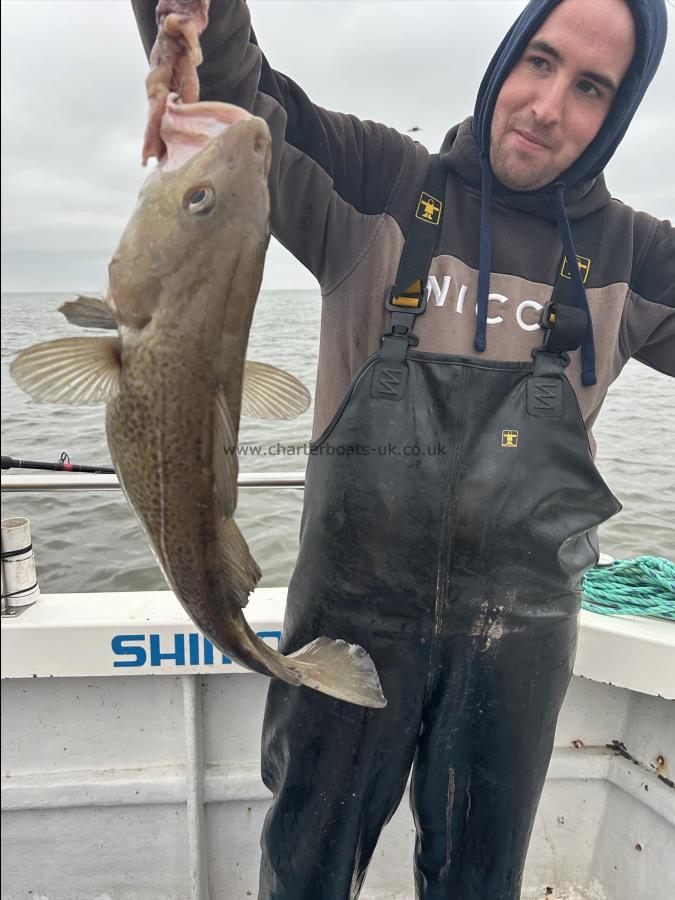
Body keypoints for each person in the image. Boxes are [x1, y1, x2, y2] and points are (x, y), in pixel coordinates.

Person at [133, 1, 673, 897]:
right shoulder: (380, 182)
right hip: (348, 619)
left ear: (618, 114)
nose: (545, 105)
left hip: (520, 636)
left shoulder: (633, 257)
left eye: (588, 88)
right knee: (306, 866)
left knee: (478, 877)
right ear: (504, 61)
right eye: (537, 63)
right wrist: (192, 18)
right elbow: (237, 97)